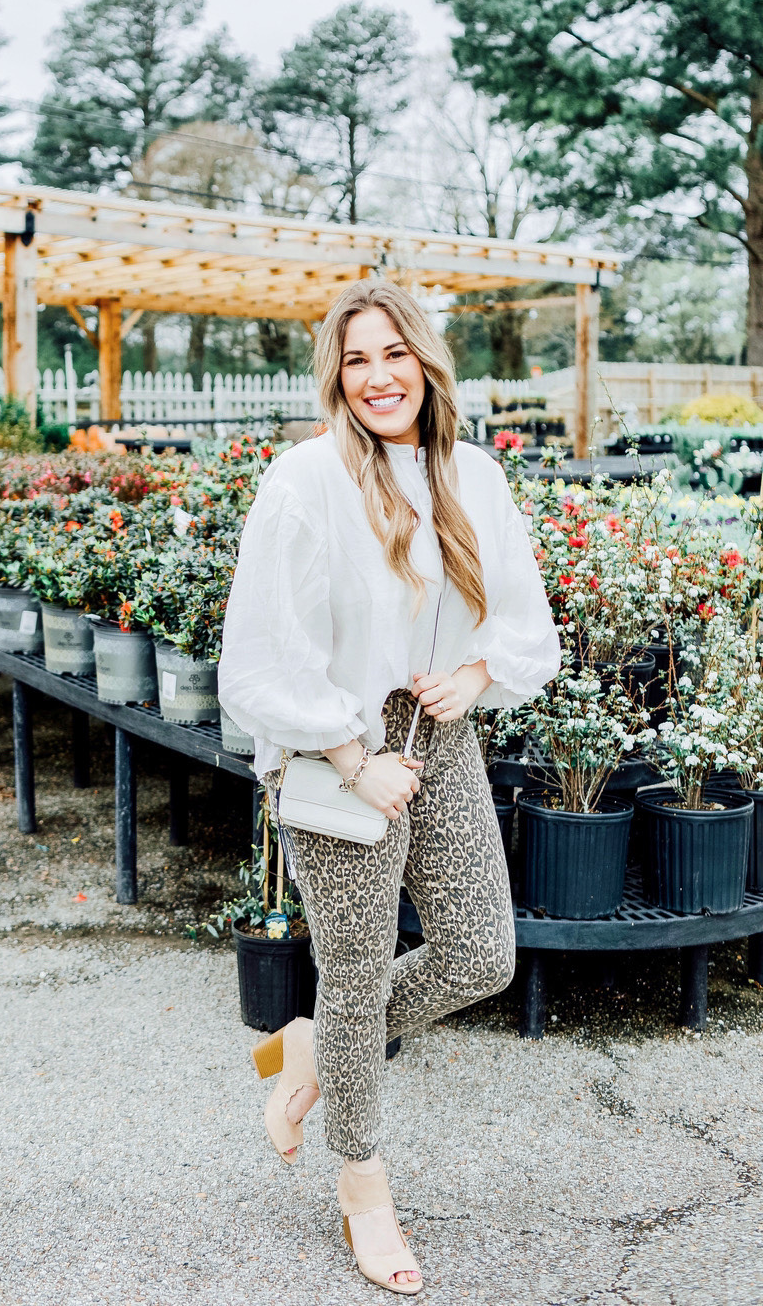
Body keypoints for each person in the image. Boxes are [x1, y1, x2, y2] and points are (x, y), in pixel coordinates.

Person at [218, 279, 560, 1295]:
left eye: (395, 354)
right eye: (357, 359)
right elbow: (261, 653)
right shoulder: (305, 480)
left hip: (438, 736)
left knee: (481, 953)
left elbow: (523, 613)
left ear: (426, 363)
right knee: (359, 969)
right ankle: (363, 1188)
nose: (379, 376)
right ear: (338, 375)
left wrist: (478, 671)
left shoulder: (472, 475)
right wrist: (348, 754)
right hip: (340, 756)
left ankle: (313, 1044)